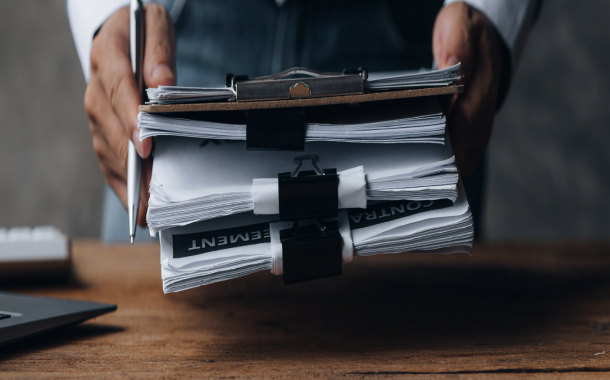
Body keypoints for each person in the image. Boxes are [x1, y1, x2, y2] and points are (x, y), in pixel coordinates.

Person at [67, 0, 541, 242]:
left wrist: (491, 12)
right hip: (177, 34)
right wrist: (107, 14)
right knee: (149, 339)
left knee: (432, 334)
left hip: (408, 37)